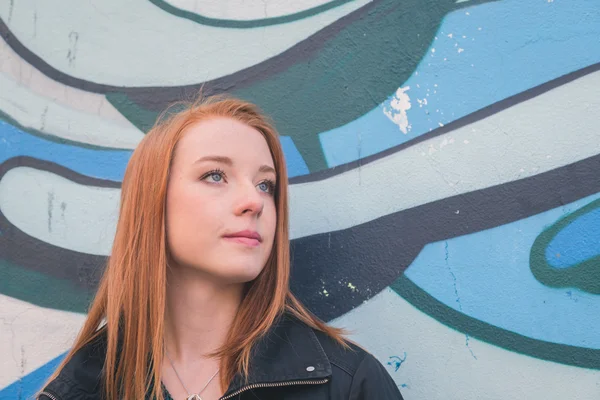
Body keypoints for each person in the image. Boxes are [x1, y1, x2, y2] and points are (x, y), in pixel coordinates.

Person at [37, 95, 404, 400]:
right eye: (215, 175)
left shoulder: (347, 385)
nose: (254, 201)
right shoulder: (80, 389)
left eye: (265, 185)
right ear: (153, 203)